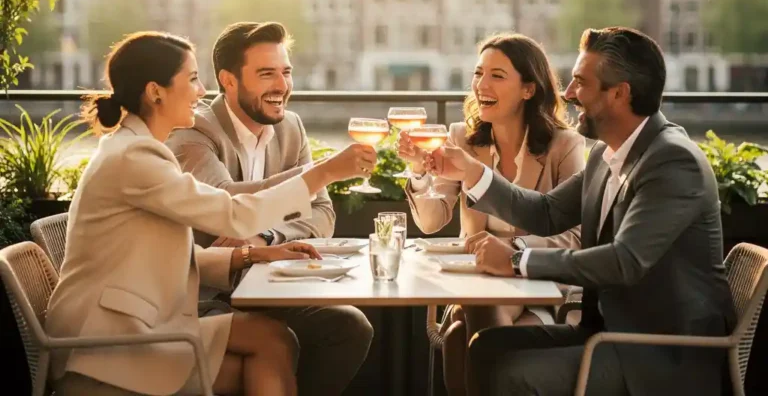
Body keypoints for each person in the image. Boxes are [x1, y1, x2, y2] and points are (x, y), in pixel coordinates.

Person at [46, 31, 377, 396]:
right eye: (192, 79)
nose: (202, 91)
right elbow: (233, 215)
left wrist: (253, 253)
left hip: (136, 322)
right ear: (156, 92)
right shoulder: (134, 157)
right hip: (107, 342)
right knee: (271, 348)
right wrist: (324, 172)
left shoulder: (134, 148)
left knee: (274, 340)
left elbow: (165, 252)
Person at [427, 27, 736, 396]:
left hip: (660, 354)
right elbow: (546, 212)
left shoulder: (672, 161)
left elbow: (624, 261)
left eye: (581, 83)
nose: (569, 94)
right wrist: (472, 172)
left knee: (511, 373)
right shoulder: (608, 153)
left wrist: (517, 261)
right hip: (609, 334)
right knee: (485, 347)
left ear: (619, 93)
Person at [166, 22, 373, 395]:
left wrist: (265, 235)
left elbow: (322, 213)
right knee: (279, 340)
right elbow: (225, 203)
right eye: (266, 74)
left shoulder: (291, 127)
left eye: (286, 72)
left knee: (349, 326)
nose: (282, 85)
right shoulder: (194, 131)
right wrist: (320, 173)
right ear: (228, 81)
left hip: (275, 287)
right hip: (208, 295)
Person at [397, 33, 584, 395]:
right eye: (478, 73)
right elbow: (431, 221)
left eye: (497, 76)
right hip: (475, 283)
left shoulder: (564, 145)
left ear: (528, 89)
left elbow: (574, 236)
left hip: (538, 286)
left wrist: (512, 252)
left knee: (460, 333)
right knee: (467, 324)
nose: (482, 85)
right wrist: (419, 172)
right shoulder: (461, 139)